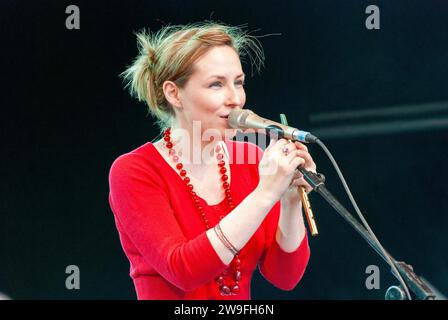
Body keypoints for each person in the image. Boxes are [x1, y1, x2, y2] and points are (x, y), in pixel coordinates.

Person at [108, 22, 317, 300]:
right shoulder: (134, 170)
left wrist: (290, 199)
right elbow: (183, 270)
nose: (235, 99)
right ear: (174, 93)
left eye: (239, 83)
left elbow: (284, 276)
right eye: (216, 84)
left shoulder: (250, 160)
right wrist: (266, 193)